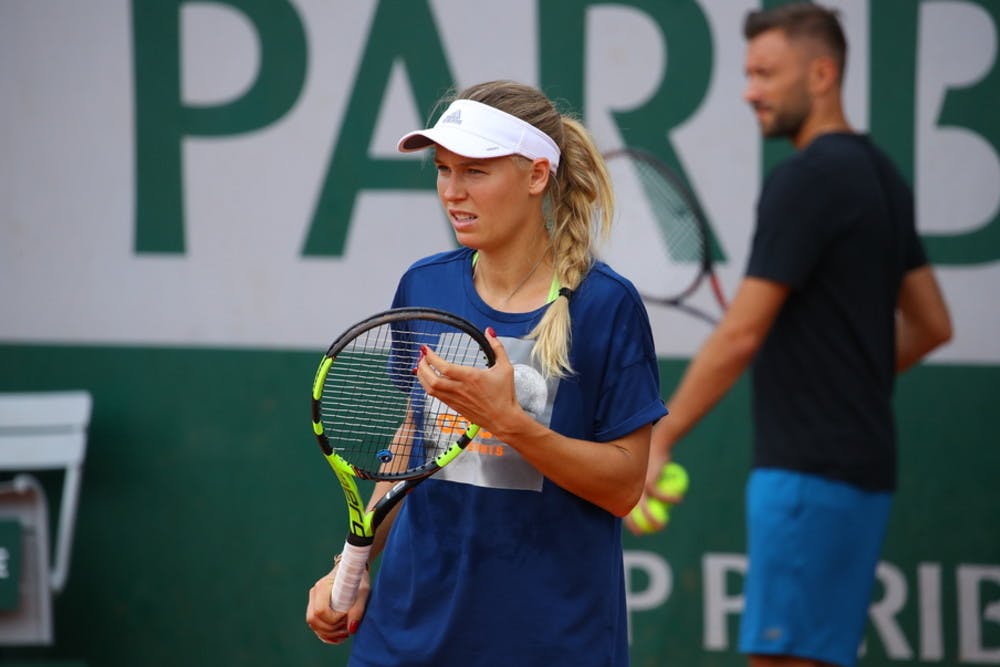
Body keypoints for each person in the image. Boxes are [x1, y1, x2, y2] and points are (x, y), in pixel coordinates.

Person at [626, 4, 953, 667]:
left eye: (767, 73)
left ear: (823, 73)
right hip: (861, 468)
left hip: (806, 473)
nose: (750, 90)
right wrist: (848, 373)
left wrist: (663, 432)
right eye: (748, 74)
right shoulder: (882, 176)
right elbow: (930, 324)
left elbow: (742, 333)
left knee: (782, 662)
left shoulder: (805, 179)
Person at [305, 79, 667, 666]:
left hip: (549, 641)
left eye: (476, 171)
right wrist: (352, 566)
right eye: (444, 170)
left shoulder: (605, 306)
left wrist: (511, 424)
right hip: (407, 629)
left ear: (535, 176)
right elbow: (410, 442)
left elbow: (625, 486)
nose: (452, 191)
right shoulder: (425, 286)